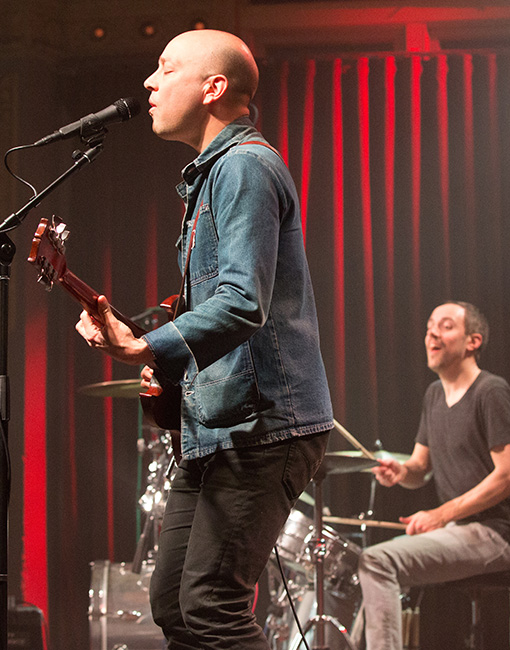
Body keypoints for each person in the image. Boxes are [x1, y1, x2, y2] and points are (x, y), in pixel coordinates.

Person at [75, 29, 334, 649]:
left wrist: (148, 348)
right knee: (174, 605)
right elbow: (214, 305)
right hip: (219, 423)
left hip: (264, 427)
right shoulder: (214, 174)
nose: (149, 82)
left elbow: (243, 301)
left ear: (213, 87)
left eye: (166, 69)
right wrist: (147, 343)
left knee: (211, 606)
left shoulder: (244, 166)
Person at [353, 301, 510, 650]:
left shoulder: (491, 392)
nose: (432, 333)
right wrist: (400, 472)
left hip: (497, 534)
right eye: (430, 325)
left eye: (446, 326)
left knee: (377, 561)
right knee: (365, 564)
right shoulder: (434, 395)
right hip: (457, 530)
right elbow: (420, 468)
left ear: (473, 341)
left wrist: (441, 514)